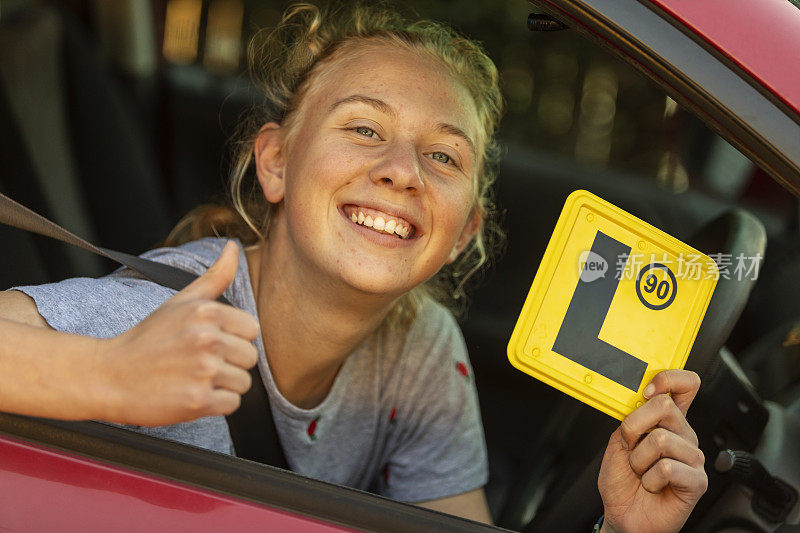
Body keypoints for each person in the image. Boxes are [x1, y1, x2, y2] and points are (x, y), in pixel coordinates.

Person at [0, 2, 707, 530]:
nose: (402, 171)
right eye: (364, 129)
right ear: (275, 162)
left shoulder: (422, 352)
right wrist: (112, 375)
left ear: (465, 231)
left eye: (443, 155)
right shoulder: (170, 318)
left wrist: (621, 527)